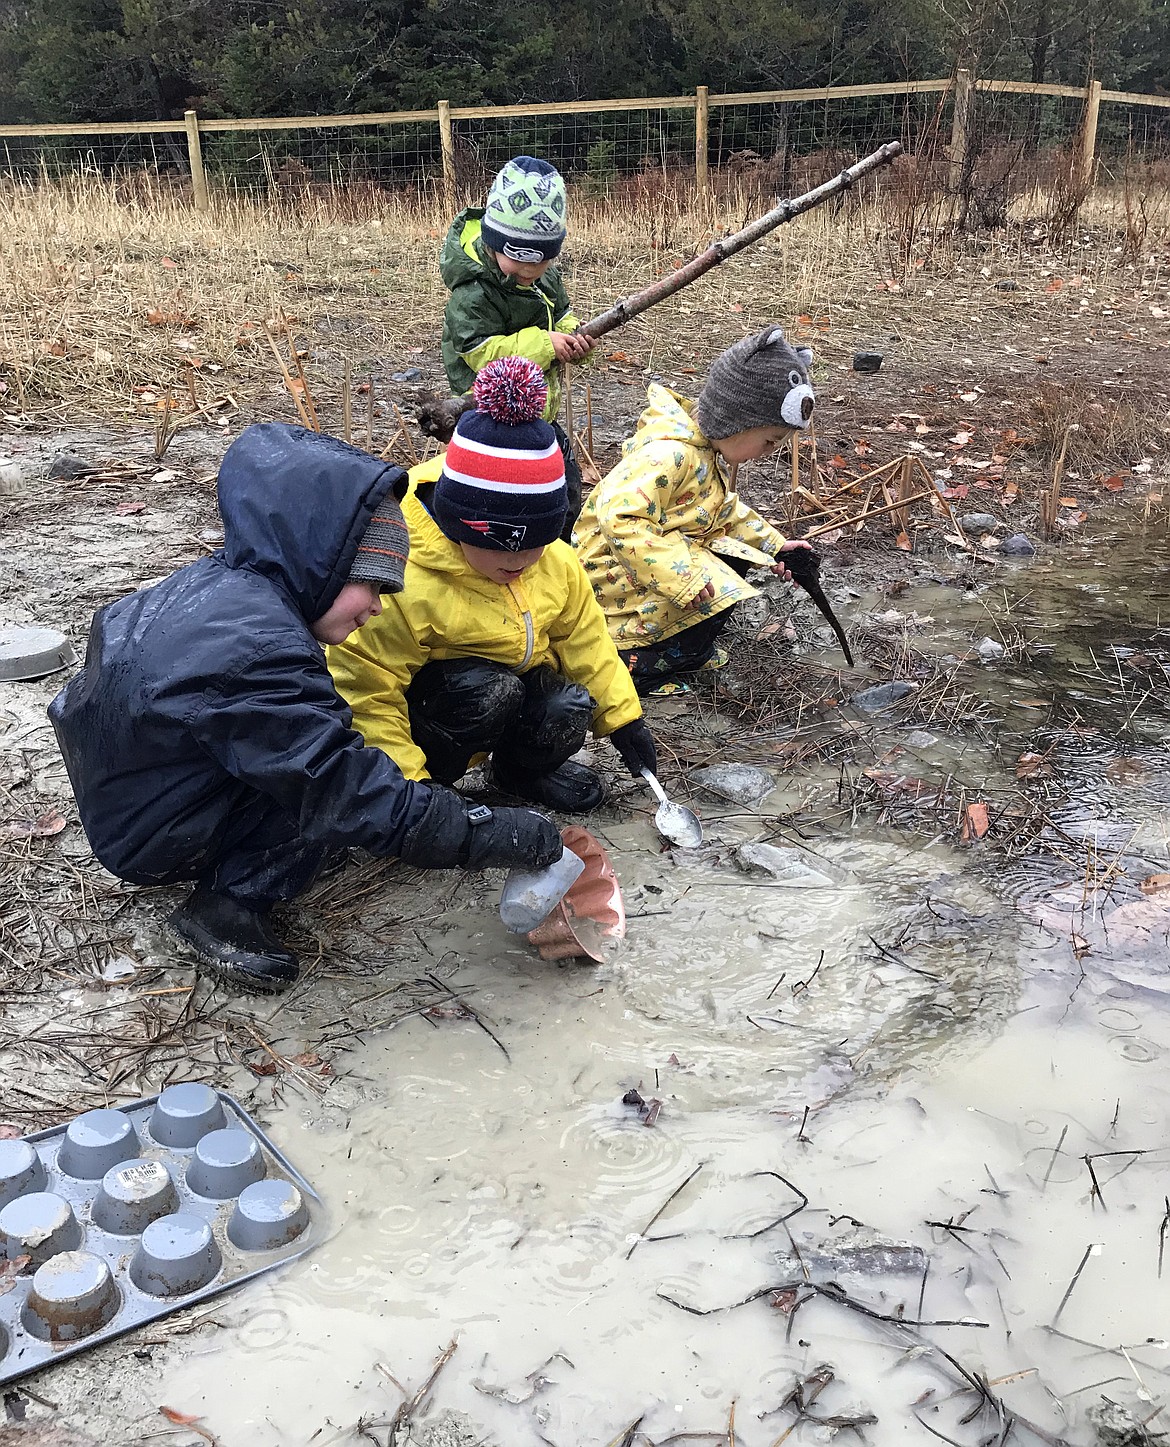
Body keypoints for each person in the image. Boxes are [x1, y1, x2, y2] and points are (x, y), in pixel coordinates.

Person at [48, 423, 563, 996]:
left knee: (325, 759)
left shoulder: (226, 590)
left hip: (141, 795)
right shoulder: (259, 652)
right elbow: (343, 790)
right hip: (157, 833)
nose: (375, 606)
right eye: (370, 584)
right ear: (322, 565)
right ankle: (226, 905)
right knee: (324, 799)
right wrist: (489, 834)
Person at [328, 357, 656, 815]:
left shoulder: (554, 563)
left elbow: (585, 641)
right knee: (487, 690)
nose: (521, 562)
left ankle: (519, 773)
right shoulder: (401, 578)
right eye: (502, 546)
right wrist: (409, 792)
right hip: (436, 716)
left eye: (538, 543)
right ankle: (434, 787)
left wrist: (623, 719)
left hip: (513, 688)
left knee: (567, 703)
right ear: (457, 522)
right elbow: (366, 689)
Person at [573, 325, 816, 694]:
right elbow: (618, 518)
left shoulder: (703, 452)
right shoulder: (671, 455)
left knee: (734, 557)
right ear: (737, 418)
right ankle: (638, 662)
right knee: (717, 576)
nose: (770, 450)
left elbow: (720, 512)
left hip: (640, 561)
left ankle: (683, 646)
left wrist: (773, 546)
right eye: (768, 440)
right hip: (607, 571)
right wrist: (682, 575)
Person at [439, 155, 594, 536]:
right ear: (494, 242)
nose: (529, 272)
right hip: (488, 411)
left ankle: (557, 546)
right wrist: (545, 344)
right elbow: (479, 352)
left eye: (540, 262)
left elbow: (562, 313)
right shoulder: (472, 293)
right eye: (519, 260)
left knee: (563, 487)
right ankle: (497, 544)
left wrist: (573, 336)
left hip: (538, 407)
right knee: (500, 494)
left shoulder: (545, 278)